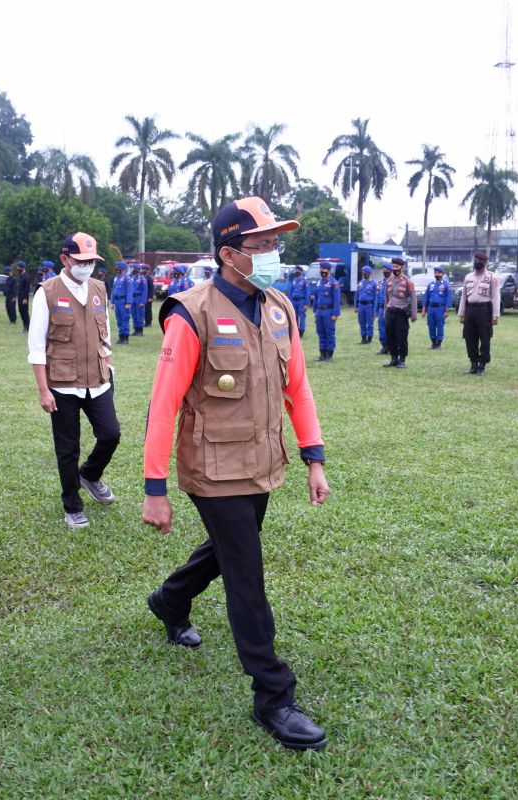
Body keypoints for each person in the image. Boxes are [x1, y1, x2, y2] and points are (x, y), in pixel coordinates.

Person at [141, 196, 330, 751]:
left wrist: (313, 458)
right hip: (214, 468)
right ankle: (274, 697)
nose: (275, 253)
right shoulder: (191, 311)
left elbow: (298, 387)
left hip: (262, 463)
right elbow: (163, 402)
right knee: (247, 575)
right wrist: (155, 489)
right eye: (263, 244)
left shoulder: (279, 308)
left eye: (276, 242)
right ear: (229, 253)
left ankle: (171, 600)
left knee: (230, 551)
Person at [28, 232, 120, 528]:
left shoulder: (98, 288)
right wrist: (44, 390)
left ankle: (90, 475)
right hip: (62, 384)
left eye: (92, 260)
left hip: (98, 379)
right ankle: (72, 504)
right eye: (81, 260)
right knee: (68, 449)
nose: (87, 266)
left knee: (111, 434)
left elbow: (104, 331)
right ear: (65, 259)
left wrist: (107, 363)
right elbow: (37, 346)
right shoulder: (48, 292)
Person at [457, 251, 500, 374]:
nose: (476, 262)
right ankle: (473, 363)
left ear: (485, 262)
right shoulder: (468, 277)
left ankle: (482, 364)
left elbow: (495, 297)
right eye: (475, 260)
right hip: (470, 309)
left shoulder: (492, 277)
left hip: (484, 309)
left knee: (485, 337)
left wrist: (495, 315)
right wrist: (462, 313)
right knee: (469, 337)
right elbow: (464, 297)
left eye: (479, 260)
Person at [383, 257, 417, 367]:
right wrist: (385, 312)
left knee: (401, 336)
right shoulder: (389, 281)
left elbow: (413, 298)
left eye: (397, 267)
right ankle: (393, 358)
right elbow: (386, 298)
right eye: (393, 267)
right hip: (390, 311)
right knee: (390, 336)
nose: (394, 269)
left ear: (402, 268)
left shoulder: (407, 281)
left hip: (401, 312)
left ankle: (402, 360)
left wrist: (413, 314)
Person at [310, 260, 341, 361]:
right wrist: (315, 311)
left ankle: (329, 355)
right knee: (320, 332)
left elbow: (337, 299)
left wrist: (335, 313)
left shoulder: (334, 283)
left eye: (324, 269)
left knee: (329, 332)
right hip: (319, 312)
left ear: (329, 270)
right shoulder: (319, 283)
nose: (322, 271)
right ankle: (322, 354)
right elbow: (316, 297)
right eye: (321, 269)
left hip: (329, 311)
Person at [423, 265, 453, 349]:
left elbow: (448, 298)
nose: (437, 274)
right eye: (435, 273)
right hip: (431, 308)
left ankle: (439, 343)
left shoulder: (447, 285)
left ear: (442, 274)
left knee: (440, 326)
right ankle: (433, 343)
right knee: (431, 325)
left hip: (440, 308)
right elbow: (426, 297)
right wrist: (423, 309)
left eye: (439, 273)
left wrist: (446, 310)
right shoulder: (431, 285)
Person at [110, 262, 133, 344]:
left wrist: (128, 302)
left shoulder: (127, 278)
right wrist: (112, 302)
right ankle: (120, 337)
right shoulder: (116, 278)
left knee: (125, 319)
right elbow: (114, 290)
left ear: (122, 269)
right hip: (117, 301)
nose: (117, 269)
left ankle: (125, 338)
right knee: (119, 320)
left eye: (118, 268)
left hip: (124, 301)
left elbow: (129, 290)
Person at [355, 265, 377, 344]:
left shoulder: (373, 284)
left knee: (370, 323)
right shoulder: (360, 283)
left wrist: (375, 309)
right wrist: (355, 306)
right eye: (364, 272)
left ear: (369, 274)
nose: (365, 274)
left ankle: (369, 339)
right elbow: (357, 295)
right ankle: (363, 338)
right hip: (361, 306)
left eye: (366, 273)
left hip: (369, 306)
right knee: (361, 322)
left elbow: (375, 297)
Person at [374, 263, 391, 354]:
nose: (385, 272)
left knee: (389, 328)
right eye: (384, 270)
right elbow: (377, 297)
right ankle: (384, 346)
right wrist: (375, 310)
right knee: (381, 328)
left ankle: (390, 347)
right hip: (381, 308)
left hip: (389, 308)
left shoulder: (392, 282)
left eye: (387, 270)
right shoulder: (380, 283)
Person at [288, 265, 309, 339]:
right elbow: (290, 292)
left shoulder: (305, 281)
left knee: (302, 317)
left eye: (298, 271)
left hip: (301, 301)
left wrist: (306, 304)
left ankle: (302, 331)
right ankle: (296, 332)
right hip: (294, 302)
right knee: (294, 317)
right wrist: (289, 302)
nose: (296, 272)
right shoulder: (293, 281)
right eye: (296, 271)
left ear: (301, 272)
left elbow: (307, 293)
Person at [130, 262, 148, 336]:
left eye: (135, 269)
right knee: (134, 314)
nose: (134, 270)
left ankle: (140, 331)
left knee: (139, 314)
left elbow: (144, 290)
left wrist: (143, 301)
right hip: (133, 298)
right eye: (133, 269)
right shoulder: (132, 278)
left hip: (139, 298)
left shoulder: (142, 279)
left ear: (138, 270)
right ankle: (136, 329)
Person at [16, 261, 32, 331]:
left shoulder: (26, 277)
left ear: (22, 268)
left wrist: (25, 298)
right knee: (21, 311)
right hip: (20, 297)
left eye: (18, 267)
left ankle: (28, 327)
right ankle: (24, 326)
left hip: (24, 298)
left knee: (25, 312)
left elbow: (27, 289)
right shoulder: (20, 276)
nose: (17, 269)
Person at [143, 264, 155, 329]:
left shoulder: (149, 278)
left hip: (148, 297)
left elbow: (151, 288)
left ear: (148, 271)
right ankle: (145, 322)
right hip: (144, 297)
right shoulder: (143, 278)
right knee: (144, 310)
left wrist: (151, 297)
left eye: (144, 269)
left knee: (148, 310)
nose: (143, 270)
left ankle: (149, 323)